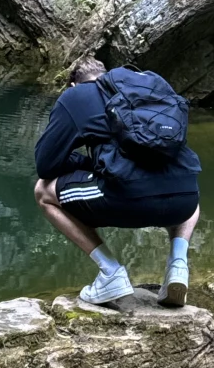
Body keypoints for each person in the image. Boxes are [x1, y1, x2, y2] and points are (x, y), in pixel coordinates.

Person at [34, 56, 201, 309]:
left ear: (73, 85)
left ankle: (111, 272)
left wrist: (87, 163)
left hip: (128, 198)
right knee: (183, 182)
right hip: (185, 202)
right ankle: (178, 266)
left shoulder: (75, 97)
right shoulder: (150, 89)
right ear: (108, 75)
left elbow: (46, 165)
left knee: (43, 192)